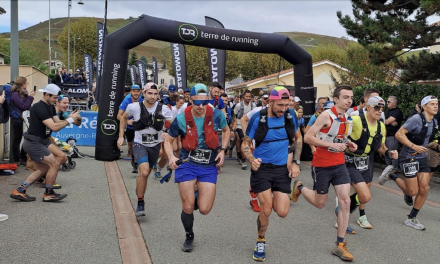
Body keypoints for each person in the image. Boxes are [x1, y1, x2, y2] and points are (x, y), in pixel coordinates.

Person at [291, 85, 358, 261]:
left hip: (340, 165)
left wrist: (348, 143)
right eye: (345, 97)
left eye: (351, 97)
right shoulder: (326, 116)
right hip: (321, 165)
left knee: (345, 201)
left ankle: (340, 244)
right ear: (336, 99)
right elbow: (308, 138)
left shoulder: (347, 117)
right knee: (320, 203)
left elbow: (338, 137)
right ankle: (300, 187)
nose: (349, 100)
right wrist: (331, 145)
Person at [164, 83, 230, 252]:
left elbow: (226, 130)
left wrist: (222, 150)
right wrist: (171, 156)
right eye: (197, 102)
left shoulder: (216, 115)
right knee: (187, 207)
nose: (201, 106)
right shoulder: (180, 118)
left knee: (205, 209)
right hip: (188, 163)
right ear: (190, 99)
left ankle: (195, 195)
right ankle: (189, 235)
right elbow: (168, 141)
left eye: (204, 102)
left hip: (209, 164)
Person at [242, 86, 301, 261]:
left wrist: (296, 162)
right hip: (262, 169)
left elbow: (298, 138)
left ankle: (288, 191)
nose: (283, 108)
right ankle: (260, 240)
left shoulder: (290, 117)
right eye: (280, 105)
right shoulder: (258, 118)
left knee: (282, 212)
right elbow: (245, 144)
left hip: (282, 169)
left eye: (286, 104)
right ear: (270, 101)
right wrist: (251, 159)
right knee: (266, 210)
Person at [337, 96, 398, 232]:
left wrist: (389, 153)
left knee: (363, 194)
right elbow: (340, 136)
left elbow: (381, 147)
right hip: (349, 160)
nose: (379, 111)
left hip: (366, 161)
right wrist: (347, 143)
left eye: (382, 108)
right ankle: (343, 214)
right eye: (376, 107)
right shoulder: (355, 120)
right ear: (368, 107)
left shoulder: (381, 125)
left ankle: (353, 214)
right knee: (364, 195)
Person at [10, 84, 80, 202]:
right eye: (54, 98)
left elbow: (59, 122)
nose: (56, 100)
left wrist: (75, 119)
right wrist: (69, 120)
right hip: (33, 142)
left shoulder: (51, 107)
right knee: (54, 164)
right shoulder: (39, 107)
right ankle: (48, 193)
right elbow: (54, 127)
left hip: (42, 141)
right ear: (47, 95)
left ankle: (20, 190)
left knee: (44, 168)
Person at [379, 95, 438, 230]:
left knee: (424, 189)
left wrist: (435, 146)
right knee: (412, 192)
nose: (435, 106)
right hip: (408, 156)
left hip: (421, 157)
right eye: (432, 104)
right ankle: (393, 175)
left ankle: (411, 218)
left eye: (436, 104)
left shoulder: (434, 121)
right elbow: (399, 134)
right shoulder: (416, 119)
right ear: (424, 106)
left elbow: (426, 139)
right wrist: (413, 146)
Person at [117, 82, 173, 216]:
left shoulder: (164, 109)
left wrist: (169, 134)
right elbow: (123, 118)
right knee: (144, 171)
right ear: (144, 94)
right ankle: (140, 202)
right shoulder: (133, 107)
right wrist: (121, 136)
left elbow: (175, 125)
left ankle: (140, 190)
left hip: (155, 145)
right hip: (139, 144)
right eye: (149, 93)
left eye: (155, 94)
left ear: (158, 95)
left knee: (145, 174)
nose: (152, 96)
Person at [240, 92, 270, 213]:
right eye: (265, 98)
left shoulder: (283, 112)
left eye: (269, 99)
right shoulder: (257, 110)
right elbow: (243, 119)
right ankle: (254, 199)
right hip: (258, 147)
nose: (267, 100)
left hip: (274, 150)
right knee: (258, 175)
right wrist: (248, 138)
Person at [117, 84, 143, 173]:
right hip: (129, 126)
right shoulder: (126, 101)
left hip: (139, 127)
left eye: (137, 91)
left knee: (138, 144)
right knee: (130, 145)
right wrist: (127, 122)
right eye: (134, 91)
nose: (136, 93)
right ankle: (133, 156)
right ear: (131, 92)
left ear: (140, 92)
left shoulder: (142, 101)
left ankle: (136, 163)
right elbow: (118, 116)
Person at [10, 76, 35, 164]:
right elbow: (23, 106)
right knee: (17, 139)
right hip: (17, 119)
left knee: (27, 138)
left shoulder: (23, 93)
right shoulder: (15, 94)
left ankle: (23, 157)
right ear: (22, 84)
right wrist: (31, 97)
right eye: (26, 83)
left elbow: (27, 106)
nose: (27, 85)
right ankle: (18, 159)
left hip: (24, 119)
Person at [381, 96, 404, 177]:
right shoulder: (387, 111)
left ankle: (394, 170)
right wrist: (387, 121)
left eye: (388, 102)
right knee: (385, 153)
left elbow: (386, 121)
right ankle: (388, 169)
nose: (387, 103)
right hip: (385, 135)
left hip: (392, 136)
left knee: (393, 153)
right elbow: (381, 120)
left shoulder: (397, 112)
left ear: (394, 103)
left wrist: (387, 121)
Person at [233, 90, 255, 169]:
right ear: (243, 97)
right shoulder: (239, 105)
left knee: (249, 141)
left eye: (249, 96)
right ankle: (243, 159)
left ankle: (241, 154)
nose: (248, 98)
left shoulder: (253, 105)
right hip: (239, 126)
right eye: (247, 96)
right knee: (243, 139)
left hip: (249, 126)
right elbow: (234, 115)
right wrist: (234, 125)